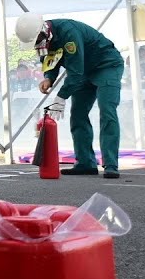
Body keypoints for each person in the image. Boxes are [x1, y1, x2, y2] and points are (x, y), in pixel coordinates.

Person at [15, 12, 124, 179]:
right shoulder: (46, 38)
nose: (36, 44)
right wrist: (48, 78)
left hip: (106, 65)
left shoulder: (68, 32)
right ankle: (85, 163)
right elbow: (52, 59)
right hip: (82, 72)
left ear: (43, 31)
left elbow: (75, 71)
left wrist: (61, 97)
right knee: (78, 115)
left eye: (36, 40)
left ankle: (110, 164)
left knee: (107, 111)